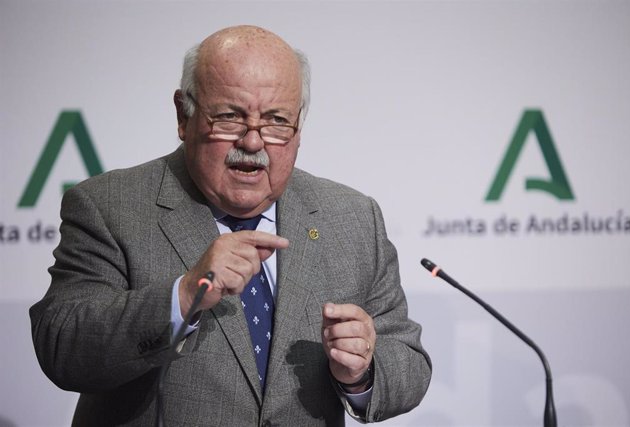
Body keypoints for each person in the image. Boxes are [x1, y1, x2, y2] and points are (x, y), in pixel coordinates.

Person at [30, 25, 431, 426]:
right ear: (183, 115)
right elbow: (63, 347)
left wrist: (361, 374)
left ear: (298, 127)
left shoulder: (352, 217)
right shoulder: (110, 206)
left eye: (276, 121)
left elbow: (407, 360)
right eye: (229, 117)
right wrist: (183, 297)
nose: (253, 142)